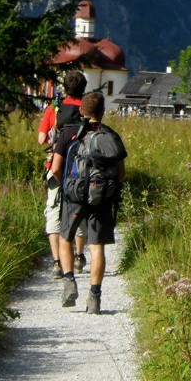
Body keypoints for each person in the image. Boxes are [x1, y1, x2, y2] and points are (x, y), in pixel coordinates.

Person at [50, 92, 128, 314]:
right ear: (103, 112)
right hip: (102, 198)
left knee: (66, 237)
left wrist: (68, 185)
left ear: (81, 111)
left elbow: (55, 169)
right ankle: (94, 297)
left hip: (74, 196)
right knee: (97, 247)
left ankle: (69, 282)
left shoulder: (69, 134)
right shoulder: (111, 135)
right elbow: (121, 175)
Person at [38, 71, 88, 278]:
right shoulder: (87, 108)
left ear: (65, 88)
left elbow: (41, 139)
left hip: (56, 166)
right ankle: (78, 256)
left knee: (54, 211)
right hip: (80, 169)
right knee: (79, 209)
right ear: (83, 88)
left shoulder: (55, 108)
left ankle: (57, 262)